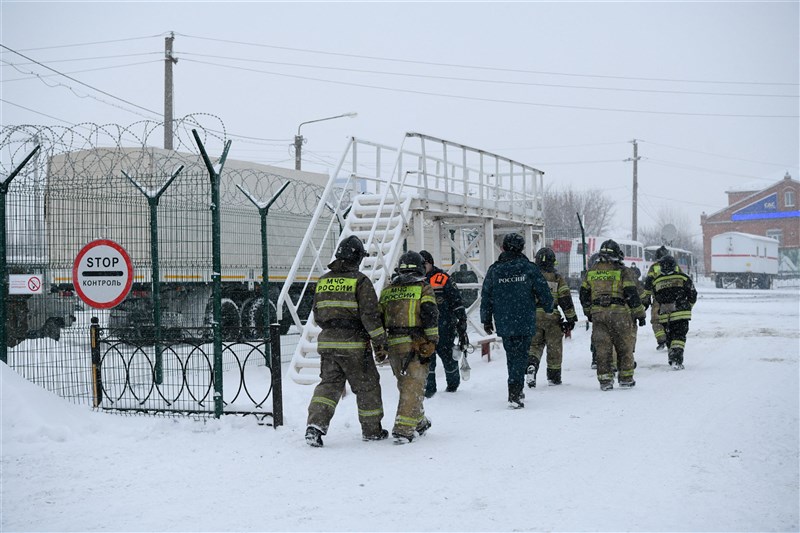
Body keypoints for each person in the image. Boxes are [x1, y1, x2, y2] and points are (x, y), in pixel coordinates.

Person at [305, 235, 390, 448]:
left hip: (328, 343)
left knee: (329, 386)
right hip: (354, 345)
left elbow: (317, 313)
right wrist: (380, 341)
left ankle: (315, 426)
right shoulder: (360, 281)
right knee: (367, 386)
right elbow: (370, 316)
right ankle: (372, 431)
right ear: (357, 258)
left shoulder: (323, 280)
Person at [480, 233, 553, 408]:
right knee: (521, 355)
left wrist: (486, 319)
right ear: (521, 248)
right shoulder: (528, 268)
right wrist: (549, 306)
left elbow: (486, 295)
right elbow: (542, 290)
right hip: (525, 319)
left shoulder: (495, 270)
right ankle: (515, 393)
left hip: (504, 320)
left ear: (503, 247)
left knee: (512, 355)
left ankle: (516, 388)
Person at [379, 251, 439, 444]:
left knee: (406, 384)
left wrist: (379, 346)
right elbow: (430, 314)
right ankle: (403, 430)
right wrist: (432, 340)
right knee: (413, 386)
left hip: (394, 345)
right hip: (416, 343)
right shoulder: (423, 287)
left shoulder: (388, 290)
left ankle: (419, 422)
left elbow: (378, 318)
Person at [579, 239, 646, 391]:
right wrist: (639, 314)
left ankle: (605, 380)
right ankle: (626, 378)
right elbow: (631, 294)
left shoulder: (592, 271)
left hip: (598, 315)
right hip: (619, 314)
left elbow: (583, 294)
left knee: (602, 347)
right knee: (624, 346)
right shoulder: (623, 271)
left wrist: (589, 311)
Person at [419, 250, 469, 398]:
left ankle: (453, 384)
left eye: (424, 264)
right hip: (425, 328)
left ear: (430, 263)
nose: (422, 267)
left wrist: (461, 319)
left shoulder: (442, 278)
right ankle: (429, 388)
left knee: (448, 357)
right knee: (428, 359)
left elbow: (456, 300)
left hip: (444, 326)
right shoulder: (417, 280)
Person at [526, 247, 577, 387]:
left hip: (533, 317)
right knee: (554, 348)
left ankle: (531, 365)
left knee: (534, 345)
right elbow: (565, 299)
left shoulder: (530, 277)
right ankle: (554, 377)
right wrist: (571, 318)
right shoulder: (557, 278)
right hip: (552, 318)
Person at [651, 255, 697, 369]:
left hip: (664, 315)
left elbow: (657, 297)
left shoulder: (657, 281)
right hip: (681, 314)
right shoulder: (684, 278)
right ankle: (676, 360)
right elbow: (693, 294)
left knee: (670, 337)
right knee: (679, 337)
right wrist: (687, 306)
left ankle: (671, 358)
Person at [642, 245, 676, 350]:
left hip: (658, 298)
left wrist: (646, 298)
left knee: (656, 320)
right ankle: (673, 340)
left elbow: (648, 283)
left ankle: (662, 340)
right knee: (674, 319)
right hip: (675, 298)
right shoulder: (675, 266)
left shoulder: (654, 267)